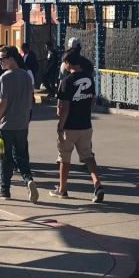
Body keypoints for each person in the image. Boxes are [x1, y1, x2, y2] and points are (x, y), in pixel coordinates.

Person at [51, 52, 104, 202]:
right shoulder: (89, 78)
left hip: (70, 126)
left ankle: (62, 189)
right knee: (88, 155)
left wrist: (60, 127)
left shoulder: (67, 81)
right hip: (86, 124)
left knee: (64, 157)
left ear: (68, 63)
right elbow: (92, 100)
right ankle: (97, 184)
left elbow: (64, 108)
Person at [0, 47, 40, 203]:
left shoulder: (6, 77)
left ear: (12, 59)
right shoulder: (26, 76)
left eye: (2, 58)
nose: (0, 62)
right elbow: (31, 99)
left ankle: (5, 190)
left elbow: (2, 103)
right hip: (23, 123)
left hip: (7, 124)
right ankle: (28, 179)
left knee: (5, 158)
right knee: (21, 155)